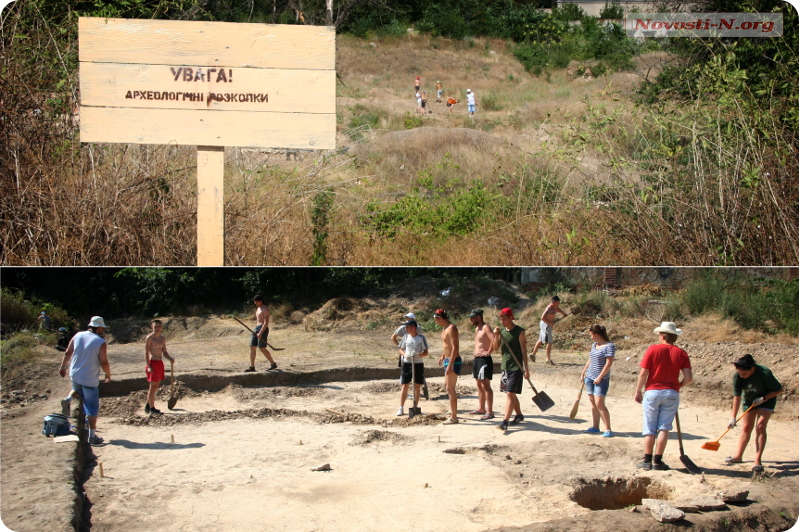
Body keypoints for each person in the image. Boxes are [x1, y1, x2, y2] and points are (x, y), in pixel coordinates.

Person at [634, 322, 692, 471]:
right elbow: (688, 378)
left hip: (653, 391)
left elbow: (643, 373)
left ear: (662, 335)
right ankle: (658, 461)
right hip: (671, 392)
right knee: (664, 428)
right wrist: (678, 386)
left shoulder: (653, 350)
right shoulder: (681, 353)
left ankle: (647, 460)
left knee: (650, 428)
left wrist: (638, 390)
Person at [724, 354, 784, 474]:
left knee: (760, 426)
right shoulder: (738, 375)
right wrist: (733, 417)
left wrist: (763, 398)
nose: (742, 376)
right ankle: (738, 456)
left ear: (752, 368)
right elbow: (737, 397)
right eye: (740, 374)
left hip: (767, 400)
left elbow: (779, 389)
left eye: (744, 374)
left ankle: (757, 460)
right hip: (749, 400)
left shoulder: (765, 373)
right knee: (746, 427)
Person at [58, 316, 111, 445]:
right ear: (98, 327)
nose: (102, 330)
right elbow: (103, 362)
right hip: (90, 377)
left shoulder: (78, 335)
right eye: (102, 328)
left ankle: (69, 399)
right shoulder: (100, 342)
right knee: (92, 407)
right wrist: (108, 374)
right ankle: (92, 436)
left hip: (75, 373)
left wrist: (63, 367)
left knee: (77, 389)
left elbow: (67, 352)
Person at [492, 308, 529, 432]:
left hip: (516, 367)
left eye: (504, 319)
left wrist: (526, 369)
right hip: (505, 366)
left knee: (510, 394)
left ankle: (504, 422)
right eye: (501, 319)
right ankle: (518, 415)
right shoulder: (501, 331)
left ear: (510, 318)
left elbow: (524, 351)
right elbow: (495, 348)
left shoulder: (520, 331)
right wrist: (496, 335)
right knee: (510, 393)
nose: (502, 322)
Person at [581, 325, 615, 437]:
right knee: (593, 403)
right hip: (589, 377)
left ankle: (608, 429)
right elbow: (591, 359)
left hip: (602, 379)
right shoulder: (594, 345)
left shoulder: (609, 346)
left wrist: (600, 377)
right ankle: (595, 427)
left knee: (600, 403)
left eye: (591, 334)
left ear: (596, 334)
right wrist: (583, 371)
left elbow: (609, 363)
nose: (590, 337)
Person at [397, 319, 428, 417]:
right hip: (407, 364)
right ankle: (401, 407)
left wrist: (418, 354)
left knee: (417, 385)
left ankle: (415, 406)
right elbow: (400, 349)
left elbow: (426, 352)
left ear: (414, 328)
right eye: (406, 327)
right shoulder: (405, 337)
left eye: (408, 327)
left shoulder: (421, 338)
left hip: (418, 364)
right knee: (405, 385)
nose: (406, 329)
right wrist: (405, 355)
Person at [435, 309, 461, 424]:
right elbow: (447, 345)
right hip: (447, 359)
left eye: (436, 320)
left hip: (453, 360)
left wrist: (450, 364)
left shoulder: (452, 328)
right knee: (447, 386)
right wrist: (443, 356)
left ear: (440, 318)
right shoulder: (444, 329)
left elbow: (455, 348)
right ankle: (452, 410)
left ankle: (454, 417)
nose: (436, 322)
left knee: (450, 388)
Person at [144, 319, 175, 415]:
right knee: (153, 386)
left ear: (161, 327)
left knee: (156, 386)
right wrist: (149, 366)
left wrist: (169, 358)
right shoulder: (149, 338)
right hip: (152, 362)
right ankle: (152, 408)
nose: (157, 328)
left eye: (159, 326)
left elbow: (164, 351)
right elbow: (146, 352)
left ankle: (148, 405)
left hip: (159, 362)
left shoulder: (162, 338)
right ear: (152, 327)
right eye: (155, 326)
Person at [468, 309, 495, 420]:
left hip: (485, 360)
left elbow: (494, 339)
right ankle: (481, 408)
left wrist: (488, 352)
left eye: (472, 317)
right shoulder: (477, 328)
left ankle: (490, 411)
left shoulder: (485, 327)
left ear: (479, 317)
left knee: (486, 386)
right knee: (479, 385)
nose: (470, 319)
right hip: (477, 360)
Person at [530, 295, 568, 365]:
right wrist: (550, 323)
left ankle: (533, 355)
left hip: (546, 324)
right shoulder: (549, 308)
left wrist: (563, 313)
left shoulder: (555, 306)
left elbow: (557, 309)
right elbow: (542, 317)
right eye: (556, 302)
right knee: (549, 341)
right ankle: (548, 358)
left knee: (541, 339)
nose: (557, 302)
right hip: (545, 324)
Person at [245, 295, 277, 372]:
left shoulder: (265, 309)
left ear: (261, 300)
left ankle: (273, 364)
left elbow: (266, 323)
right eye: (254, 301)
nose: (255, 303)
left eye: (257, 301)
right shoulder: (258, 308)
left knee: (262, 348)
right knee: (252, 346)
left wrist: (260, 332)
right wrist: (257, 330)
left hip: (263, 329)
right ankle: (252, 366)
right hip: (256, 328)